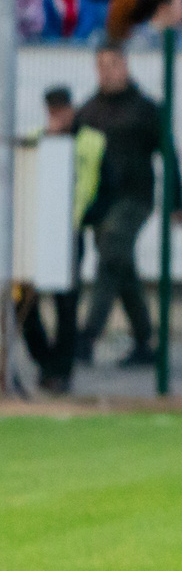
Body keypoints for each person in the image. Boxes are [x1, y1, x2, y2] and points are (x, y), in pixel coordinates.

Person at [76, 44, 182, 366]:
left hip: (135, 198)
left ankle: (87, 337)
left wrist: (177, 200)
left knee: (111, 253)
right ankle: (143, 341)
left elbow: (169, 154)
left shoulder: (146, 108)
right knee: (120, 266)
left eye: (112, 64)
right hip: (100, 204)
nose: (106, 72)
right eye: (101, 66)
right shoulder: (89, 110)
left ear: (125, 65)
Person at [13, 85, 86, 392]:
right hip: (35, 233)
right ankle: (45, 363)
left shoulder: (90, 141)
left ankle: (61, 371)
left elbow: (103, 184)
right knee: (25, 303)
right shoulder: (34, 139)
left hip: (71, 232)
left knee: (66, 306)